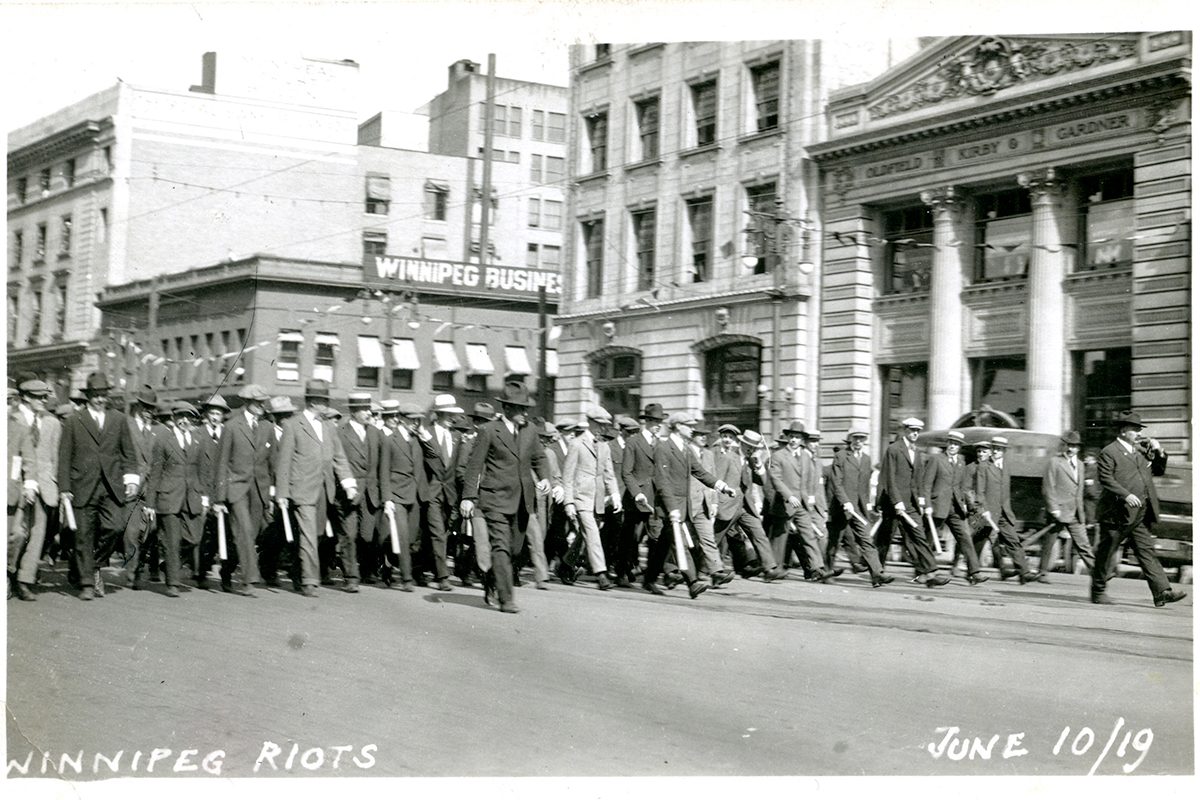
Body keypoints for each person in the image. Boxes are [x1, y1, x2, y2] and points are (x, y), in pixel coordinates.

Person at [460, 382, 551, 613]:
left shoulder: (530, 430)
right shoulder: (489, 430)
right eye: (521, 408)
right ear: (508, 408)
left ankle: (492, 579)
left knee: (514, 551)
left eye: (526, 408)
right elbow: (474, 466)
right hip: (495, 500)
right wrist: (469, 496)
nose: (526, 413)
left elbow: (539, 458)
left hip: (522, 501)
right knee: (500, 547)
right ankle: (506, 598)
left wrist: (546, 478)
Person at [56, 372, 139, 600]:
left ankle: (93, 566)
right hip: (82, 486)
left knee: (115, 527)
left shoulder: (118, 419)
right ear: (89, 396)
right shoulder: (74, 421)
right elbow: (64, 456)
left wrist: (131, 479)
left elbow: (128, 452)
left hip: (111, 485)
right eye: (96, 395)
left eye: (104, 395)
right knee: (83, 534)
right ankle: (86, 584)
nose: (101, 399)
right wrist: (64, 488)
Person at [1091, 411, 1186, 608]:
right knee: (1107, 552)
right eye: (1134, 429)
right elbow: (1106, 479)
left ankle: (1162, 592)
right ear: (1123, 430)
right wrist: (1126, 494)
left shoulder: (1140, 453)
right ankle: (1098, 591)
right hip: (1117, 513)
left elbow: (1158, 470)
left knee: (1146, 551)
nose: (1138, 433)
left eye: (1138, 430)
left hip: (1140, 512)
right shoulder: (1109, 452)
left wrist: (1160, 451)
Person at [274, 379, 357, 597]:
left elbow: (339, 457)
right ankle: (310, 580)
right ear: (313, 402)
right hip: (301, 489)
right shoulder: (293, 425)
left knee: (316, 535)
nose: (325, 406)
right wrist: (282, 493)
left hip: (324, 490)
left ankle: (297, 572)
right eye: (322, 401)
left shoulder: (329, 426)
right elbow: (284, 461)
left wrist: (348, 483)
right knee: (309, 534)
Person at [645, 412, 736, 599]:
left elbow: (701, 472)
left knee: (664, 543)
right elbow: (662, 482)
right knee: (682, 543)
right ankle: (692, 582)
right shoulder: (663, 448)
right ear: (678, 426)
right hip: (670, 507)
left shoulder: (685, 449)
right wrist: (672, 508)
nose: (692, 429)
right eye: (689, 425)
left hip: (682, 506)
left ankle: (649, 578)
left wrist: (722, 487)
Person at [211, 385, 274, 596]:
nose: (262, 407)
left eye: (264, 403)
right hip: (236, 488)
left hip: (259, 489)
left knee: (248, 535)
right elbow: (221, 463)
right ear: (247, 403)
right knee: (245, 532)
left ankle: (227, 570)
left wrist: (272, 491)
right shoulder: (232, 426)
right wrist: (219, 498)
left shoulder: (267, 427)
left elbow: (272, 461)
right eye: (258, 403)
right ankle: (249, 580)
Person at [144, 402, 207, 597]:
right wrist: (150, 503)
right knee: (172, 541)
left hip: (192, 497)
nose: (184, 421)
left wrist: (204, 496)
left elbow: (203, 471)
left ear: (193, 420)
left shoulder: (198, 441)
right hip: (169, 497)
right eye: (180, 417)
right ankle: (173, 583)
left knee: (194, 538)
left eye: (188, 418)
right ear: (174, 419)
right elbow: (155, 473)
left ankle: (169, 566)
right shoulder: (164, 441)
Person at [878, 418, 948, 588]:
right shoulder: (893, 449)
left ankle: (931, 572)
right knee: (885, 540)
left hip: (911, 504)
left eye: (918, 430)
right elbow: (889, 479)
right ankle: (877, 572)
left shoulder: (917, 452)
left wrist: (922, 500)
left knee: (919, 536)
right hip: (895, 504)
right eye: (912, 430)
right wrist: (897, 502)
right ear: (904, 431)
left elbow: (918, 479)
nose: (915, 433)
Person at [711, 426, 786, 582]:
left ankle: (769, 568)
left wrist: (759, 467)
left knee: (759, 533)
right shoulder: (728, 457)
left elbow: (762, 482)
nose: (751, 450)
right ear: (741, 444)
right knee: (714, 539)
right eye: (748, 446)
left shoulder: (751, 461)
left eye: (754, 448)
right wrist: (714, 503)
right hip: (727, 505)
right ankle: (705, 571)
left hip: (745, 507)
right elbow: (716, 481)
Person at [9, 380, 61, 601]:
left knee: (37, 533)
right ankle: (8, 574)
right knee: (16, 533)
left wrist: (54, 482)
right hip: (16, 485)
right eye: (38, 397)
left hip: (43, 485)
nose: (43, 400)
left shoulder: (52, 422)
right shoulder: (12, 419)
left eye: (44, 397)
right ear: (26, 397)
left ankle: (24, 581)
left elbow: (54, 456)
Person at [768, 420, 837, 583]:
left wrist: (809, 500)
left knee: (808, 535)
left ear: (801, 440)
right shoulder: (778, 456)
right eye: (791, 437)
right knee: (780, 537)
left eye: (797, 437)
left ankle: (818, 568)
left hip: (802, 505)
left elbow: (808, 480)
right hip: (784, 504)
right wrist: (788, 495)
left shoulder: (806, 457)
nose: (794, 440)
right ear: (788, 437)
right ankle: (772, 570)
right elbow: (775, 478)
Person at [561, 408, 622, 590]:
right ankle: (601, 574)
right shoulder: (577, 444)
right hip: (580, 498)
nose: (603, 429)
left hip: (598, 498)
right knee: (592, 533)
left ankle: (565, 564)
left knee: (585, 535)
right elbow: (568, 475)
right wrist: (569, 502)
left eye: (605, 425)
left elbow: (609, 474)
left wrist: (615, 495)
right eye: (601, 425)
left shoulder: (604, 446)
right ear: (591, 422)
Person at [967, 437, 1037, 583]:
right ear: (992, 450)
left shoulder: (1006, 466)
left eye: (1000, 449)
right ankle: (972, 572)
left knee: (1013, 540)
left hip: (1004, 512)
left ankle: (1024, 572)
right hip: (987, 512)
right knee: (979, 542)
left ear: (1004, 451)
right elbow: (980, 491)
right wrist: (982, 508)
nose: (997, 451)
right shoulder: (983, 466)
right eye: (995, 448)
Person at [921, 430, 986, 585]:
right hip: (938, 505)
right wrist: (927, 505)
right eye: (951, 443)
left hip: (955, 507)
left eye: (956, 444)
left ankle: (974, 573)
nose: (952, 446)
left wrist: (969, 505)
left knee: (965, 537)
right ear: (947, 444)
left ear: (959, 447)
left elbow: (962, 486)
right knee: (928, 540)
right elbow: (926, 484)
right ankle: (925, 573)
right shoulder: (936, 459)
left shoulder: (961, 462)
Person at [333, 392, 383, 593]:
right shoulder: (340, 432)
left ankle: (367, 569)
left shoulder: (374, 433)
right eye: (364, 409)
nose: (368, 413)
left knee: (368, 536)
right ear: (353, 411)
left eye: (368, 409)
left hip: (370, 492)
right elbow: (336, 462)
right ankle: (351, 576)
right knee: (349, 535)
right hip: (349, 492)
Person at [830, 430, 892, 587]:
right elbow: (836, 483)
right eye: (856, 438)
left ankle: (877, 573)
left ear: (865, 441)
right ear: (850, 440)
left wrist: (868, 505)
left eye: (862, 439)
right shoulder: (841, 456)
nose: (858, 441)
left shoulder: (866, 459)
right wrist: (845, 501)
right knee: (834, 540)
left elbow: (864, 485)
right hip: (841, 507)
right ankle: (826, 570)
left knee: (866, 539)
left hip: (858, 509)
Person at [415, 394, 463, 590]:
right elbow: (430, 460)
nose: (453, 418)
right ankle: (442, 576)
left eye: (454, 414)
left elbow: (455, 467)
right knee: (437, 534)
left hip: (449, 494)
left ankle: (418, 569)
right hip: (432, 491)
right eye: (449, 414)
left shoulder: (456, 437)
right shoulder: (425, 434)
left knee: (433, 534)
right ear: (439, 414)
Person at [379, 402, 427, 591]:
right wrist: (387, 498)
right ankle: (406, 579)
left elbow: (432, 455)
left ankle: (388, 560)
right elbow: (384, 471)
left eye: (419, 420)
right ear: (402, 419)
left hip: (414, 495)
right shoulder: (390, 440)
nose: (416, 423)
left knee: (412, 539)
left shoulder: (417, 440)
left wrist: (425, 436)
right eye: (413, 420)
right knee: (404, 536)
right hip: (396, 495)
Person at [1038, 431, 1096, 579]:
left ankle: (1097, 572)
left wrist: (1082, 512)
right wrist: (1053, 508)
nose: (1071, 449)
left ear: (1079, 448)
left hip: (1075, 512)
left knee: (1083, 543)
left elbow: (1080, 490)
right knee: (1049, 543)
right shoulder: (1055, 462)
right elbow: (1047, 487)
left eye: (1075, 446)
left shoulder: (1081, 465)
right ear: (1065, 446)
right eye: (1069, 446)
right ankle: (1042, 572)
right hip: (1058, 511)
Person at [122, 386, 163, 589]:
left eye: (152, 408)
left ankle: (138, 565)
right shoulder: (126, 425)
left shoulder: (157, 430)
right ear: (138, 406)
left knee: (150, 530)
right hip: (131, 486)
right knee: (131, 532)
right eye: (146, 407)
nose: (149, 411)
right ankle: (132, 573)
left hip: (151, 488)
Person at [622, 403, 666, 594]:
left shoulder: (662, 445)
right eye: (655, 421)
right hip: (636, 499)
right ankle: (622, 572)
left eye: (660, 422)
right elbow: (626, 472)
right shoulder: (633, 442)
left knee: (657, 538)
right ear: (646, 421)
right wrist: (636, 492)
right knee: (629, 538)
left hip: (655, 500)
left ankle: (650, 579)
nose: (658, 425)